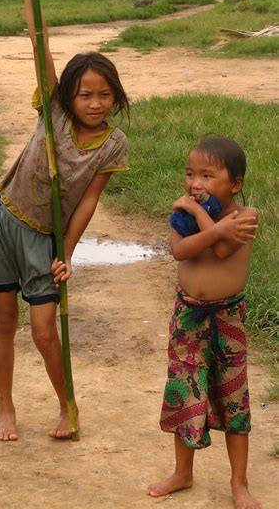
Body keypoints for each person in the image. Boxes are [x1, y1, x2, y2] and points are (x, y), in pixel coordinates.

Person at [0, 0, 130, 441]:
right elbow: (39, 40)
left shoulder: (114, 143)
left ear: (116, 96)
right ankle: (6, 410)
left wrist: (65, 252)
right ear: (69, 95)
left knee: (44, 331)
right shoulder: (55, 112)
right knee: (3, 320)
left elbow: (87, 201)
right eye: (85, 94)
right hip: (5, 218)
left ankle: (68, 407)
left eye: (104, 94)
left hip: (45, 236)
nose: (94, 103)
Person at [147, 135, 261, 509]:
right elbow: (181, 249)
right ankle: (183, 472)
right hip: (188, 316)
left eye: (208, 176)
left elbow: (224, 247)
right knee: (185, 391)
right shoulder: (182, 217)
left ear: (236, 185)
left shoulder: (245, 217)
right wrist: (203, 219)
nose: (195, 183)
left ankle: (239, 483)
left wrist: (200, 217)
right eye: (190, 173)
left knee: (233, 397)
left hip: (227, 318)